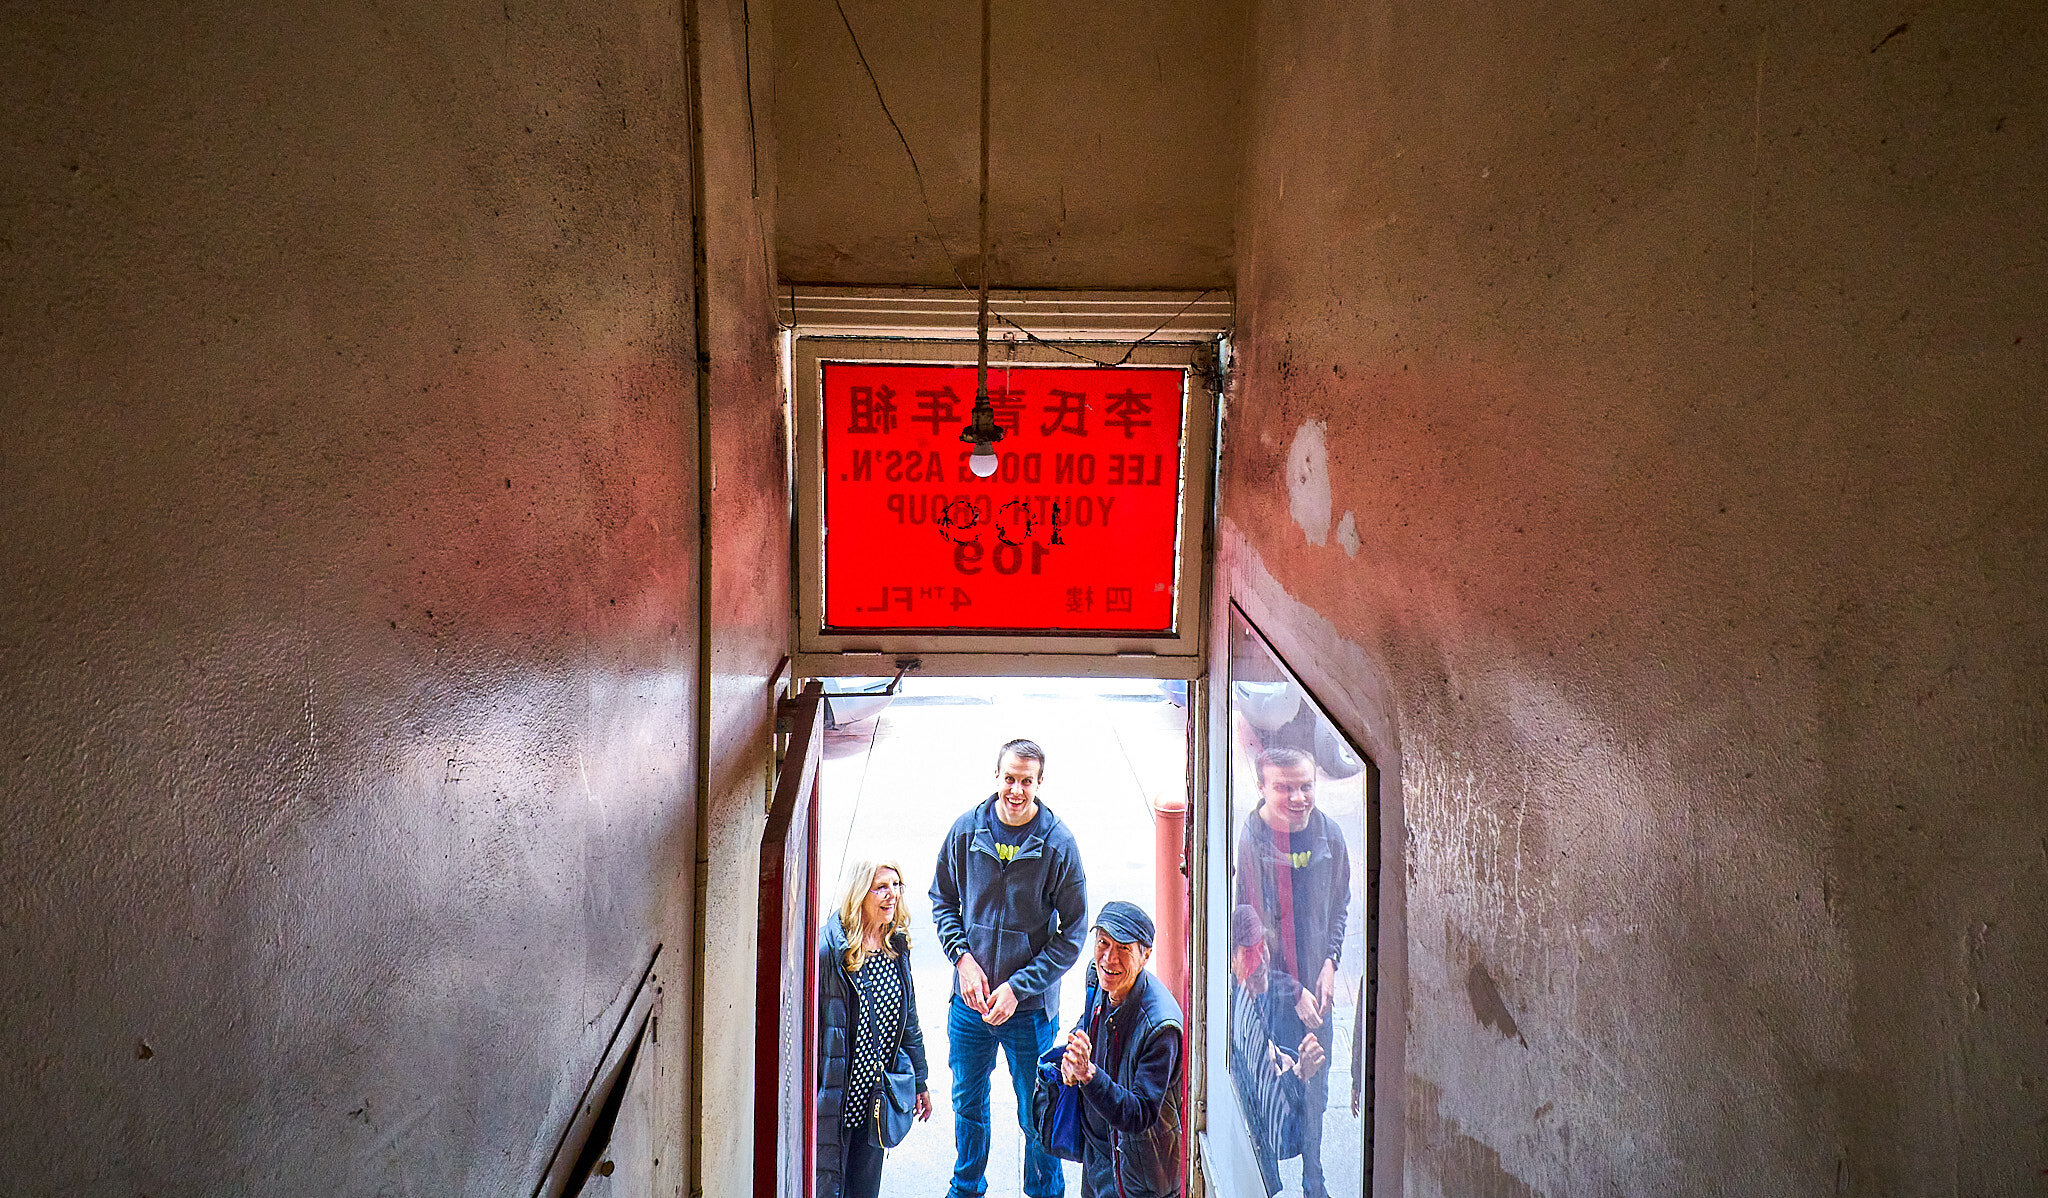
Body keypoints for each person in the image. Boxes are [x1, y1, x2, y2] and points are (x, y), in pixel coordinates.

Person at [931, 738, 1089, 1198]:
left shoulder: (1058, 845)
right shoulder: (966, 832)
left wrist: (1019, 988)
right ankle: (966, 1188)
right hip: (970, 1005)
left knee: (1036, 1113)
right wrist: (962, 959)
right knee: (967, 1104)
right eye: (1009, 779)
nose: (1016, 790)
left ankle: (1044, 1193)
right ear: (996, 777)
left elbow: (1074, 933)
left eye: (1026, 781)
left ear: (1040, 783)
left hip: (1029, 1012)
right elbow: (942, 899)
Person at [1234, 746, 1350, 1198]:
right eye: (1285, 788)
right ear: (1262, 788)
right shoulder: (1251, 843)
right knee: (1271, 1095)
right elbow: (1245, 937)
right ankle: (1268, 1184)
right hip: (1272, 998)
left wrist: (1330, 962)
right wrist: (1291, 990)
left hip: (1317, 995)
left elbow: (1340, 905)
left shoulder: (1330, 836)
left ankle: (1313, 1181)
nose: (1298, 798)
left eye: (1306, 786)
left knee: (1315, 1093)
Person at [817, 860, 933, 1198]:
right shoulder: (832, 951)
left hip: (875, 1100)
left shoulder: (896, 946)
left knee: (865, 1190)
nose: (892, 894)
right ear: (860, 893)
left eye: (896, 885)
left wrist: (921, 1081)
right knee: (828, 1188)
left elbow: (909, 1020)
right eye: (881, 887)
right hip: (836, 1099)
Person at [1057, 901, 1185, 1198]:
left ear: (1145, 955)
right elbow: (1087, 1023)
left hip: (1137, 1172)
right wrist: (1072, 1058)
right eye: (1103, 943)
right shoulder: (1099, 978)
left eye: (1123, 948)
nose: (1109, 958)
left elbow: (1140, 1114)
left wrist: (1088, 1075)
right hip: (1097, 1154)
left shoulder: (1159, 1028)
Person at [1227, 905, 1326, 1196]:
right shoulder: (1242, 1015)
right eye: (1249, 952)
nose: (1261, 960)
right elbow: (1276, 1129)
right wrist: (1299, 1071)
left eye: (1263, 947)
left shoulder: (1247, 994)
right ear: (1232, 961)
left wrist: (1279, 1054)